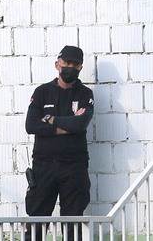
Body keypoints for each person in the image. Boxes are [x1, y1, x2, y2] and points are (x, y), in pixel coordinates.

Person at [25, 46, 94, 241]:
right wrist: (66, 127)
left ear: (80, 67)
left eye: (75, 64)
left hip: (74, 167)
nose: (70, 67)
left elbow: (80, 124)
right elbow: (31, 125)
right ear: (57, 64)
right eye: (66, 63)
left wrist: (51, 119)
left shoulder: (85, 94)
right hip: (43, 166)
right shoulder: (42, 92)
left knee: (73, 225)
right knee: (37, 223)